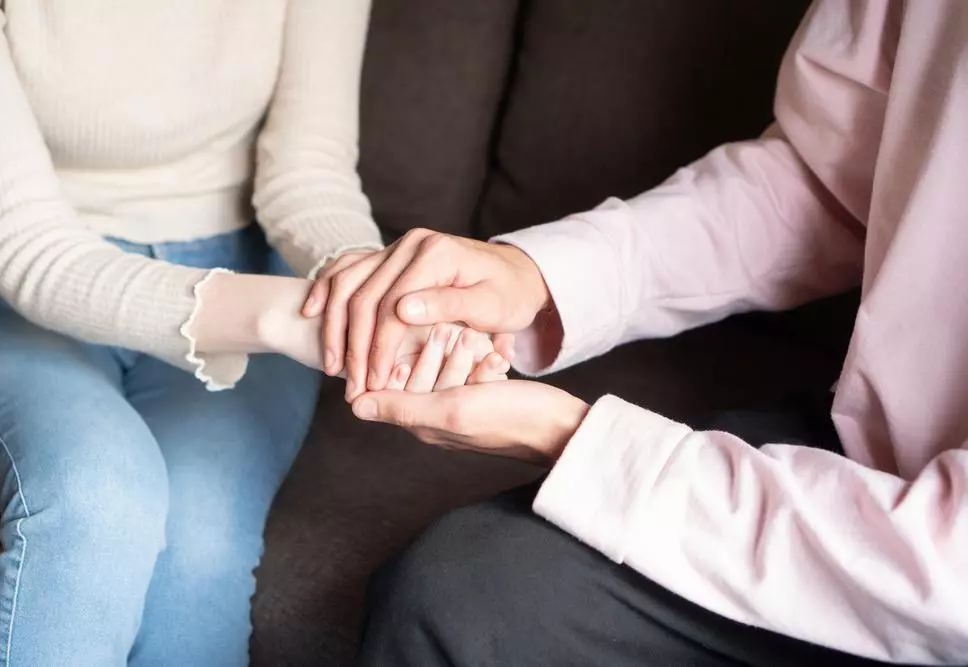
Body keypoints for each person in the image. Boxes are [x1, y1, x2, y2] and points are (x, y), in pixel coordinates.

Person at [306, 1, 968, 665]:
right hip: (866, 443)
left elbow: (946, 574)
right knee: (458, 596)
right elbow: (827, 183)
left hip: (940, 576)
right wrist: (534, 273)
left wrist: (571, 438)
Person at [0, 1, 508, 666]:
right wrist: (286, 316)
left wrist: (374, 294)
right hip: (9, 279)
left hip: (241, 256)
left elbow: (308, 176)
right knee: (96, 498)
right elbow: (29, 250)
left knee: (199, 549)